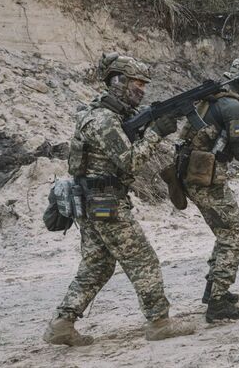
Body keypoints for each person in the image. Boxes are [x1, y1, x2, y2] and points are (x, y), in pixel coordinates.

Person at [43, 53, 194, 346]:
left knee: (97, 265)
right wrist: (155, 134)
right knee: (143, 260)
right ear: (118, 82)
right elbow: (130, 162)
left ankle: (62, 323)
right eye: (138, 83)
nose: (142, 89)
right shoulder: (103, 119)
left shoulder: (106, 114)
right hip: (104, 201)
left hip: (92, 199)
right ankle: (159, 322)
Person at [174, 57, 239, 322]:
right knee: (234, 238)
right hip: (206, 178)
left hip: (196, 174)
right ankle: (217, 303)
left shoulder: (219, 99)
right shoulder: (233, 106)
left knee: (225, 233)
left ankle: (214, 290)